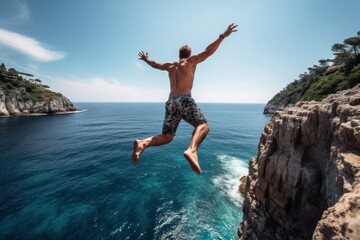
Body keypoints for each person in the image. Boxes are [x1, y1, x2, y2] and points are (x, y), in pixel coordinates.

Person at [132, 23, 238, 174]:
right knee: (203, 125)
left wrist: (146, 60)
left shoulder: (170, 66)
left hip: (170, 102)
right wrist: (222, 36)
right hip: (184, 99)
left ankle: (143, 143)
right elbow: (208, 51)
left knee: (167, 136)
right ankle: (192, 150)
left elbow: (155, 65)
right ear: (189, 54)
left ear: (179, 54)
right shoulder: (190, 61)